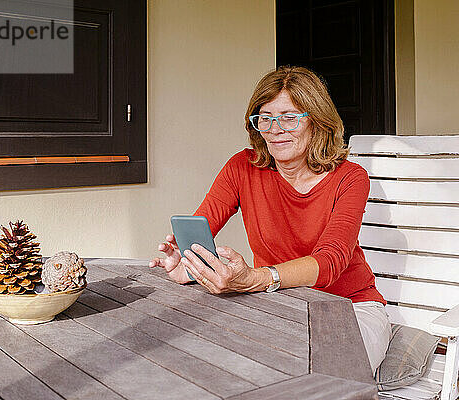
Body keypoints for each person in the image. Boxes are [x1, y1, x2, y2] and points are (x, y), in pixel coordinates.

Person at [149, 66, 391, 373]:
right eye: (265, 118)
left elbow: (331, 261)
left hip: (350, 308)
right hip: (277, 305)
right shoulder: (242, 167)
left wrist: (257, 278)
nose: (275, 129)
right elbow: (202, 225)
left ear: (316, 121)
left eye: (289, 117)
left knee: (327, 375)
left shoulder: (350, 178)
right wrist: (192, 265)